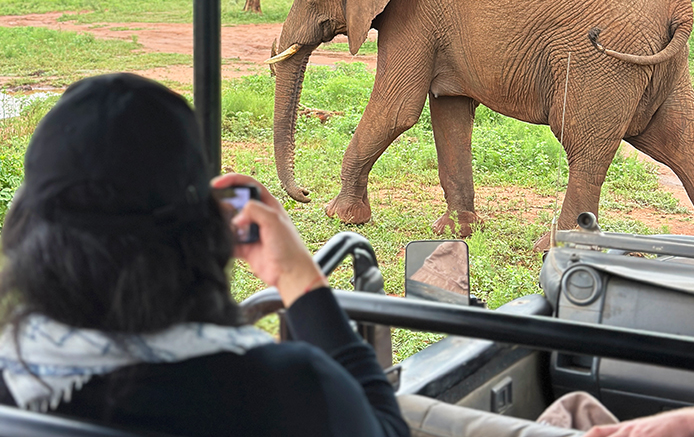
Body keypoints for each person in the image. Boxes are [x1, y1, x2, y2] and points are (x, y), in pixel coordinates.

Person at [0, 73, 408, 437]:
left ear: (27, 230)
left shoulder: (11, 379)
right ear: (206, 229)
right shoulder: (285, 386)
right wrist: (300, 278)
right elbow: (386, 428)